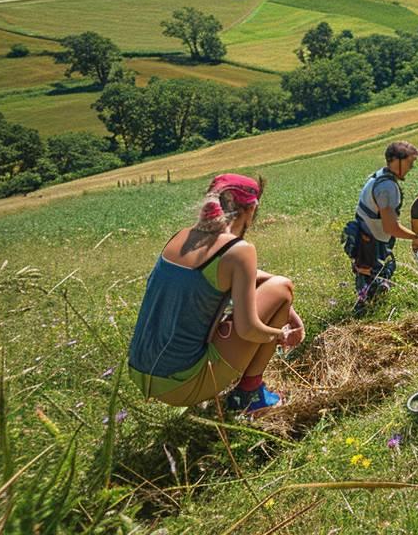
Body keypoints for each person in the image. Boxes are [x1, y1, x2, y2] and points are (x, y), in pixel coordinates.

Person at [127, 173, 302, 417]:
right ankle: (249, 396)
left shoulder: (181, 237)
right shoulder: (238, 251)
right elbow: (248, 329)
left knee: (279, 286)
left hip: (141, 371)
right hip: (182, 384)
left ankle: (245, 392)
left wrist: (288, 312)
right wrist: (280, 334)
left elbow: (247, 276)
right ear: (251, 209)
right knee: (282, 288)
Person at [348, 141, 418, 317]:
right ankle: (366, 321)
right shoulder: (387, 187)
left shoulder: (377, 177)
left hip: (364, 237)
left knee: (367, 284)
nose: (412, 167)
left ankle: (362, 319)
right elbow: (390, 226)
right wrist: (416, 236)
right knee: (377, 284)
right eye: (409, 162)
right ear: (395, 161)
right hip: (373, 242)